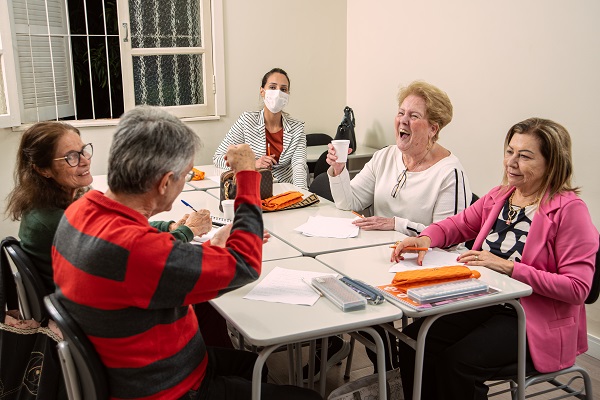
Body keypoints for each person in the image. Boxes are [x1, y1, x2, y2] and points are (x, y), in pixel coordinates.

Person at [51, 106, 321, 400]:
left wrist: (210, 248)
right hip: (168, 389)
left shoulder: (80, 210)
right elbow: (245, 263)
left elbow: (150, 266)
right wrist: (246, 173)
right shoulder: (135, 249)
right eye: (185, 175)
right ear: (165, 182)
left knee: (253, 366)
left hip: (134, 369)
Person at [392, 117, 599, 400]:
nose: (511, 162)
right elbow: (458, 225)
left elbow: (577, 288)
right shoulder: (501, 196)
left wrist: (510, 267)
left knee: (459, 362)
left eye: (525, 156)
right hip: (483, 299)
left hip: (531, 317)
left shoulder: (570, 211)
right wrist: (426, 238)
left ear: (552, 163)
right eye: (510, 151)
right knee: (414, 342)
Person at [318, 81, 472, 374]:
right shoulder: (386, 156)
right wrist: (338, 172)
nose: (403, 120)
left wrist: (397, 224)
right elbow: (348, 202)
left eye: (414, 116)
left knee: (372, 311)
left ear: (433, 128)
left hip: (427, 269)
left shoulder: (449, 171)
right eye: (401, 112)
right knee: (348, 295)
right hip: (383, 259)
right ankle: (389, 377)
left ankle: (394, 377)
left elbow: (447, 239)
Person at [4, 122, 210, 296]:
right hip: (91, 313)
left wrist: (169, 226)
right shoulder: (55, 220)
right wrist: (187, 231)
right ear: (42, 169)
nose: (85, 161)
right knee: (197, 288)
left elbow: (120, 229)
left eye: (83, 151)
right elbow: (138, 257)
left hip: (83, 299)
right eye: (71, 157)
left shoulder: (63, 201)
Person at [213, 67, 308, 189]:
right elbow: (218, 157)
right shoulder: (247, 120)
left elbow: (299, 166)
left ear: (288, 95)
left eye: (283, 89)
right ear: (262, 91)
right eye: (273, 87)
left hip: (286, 191)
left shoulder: (297, 128)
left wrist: (302, 195)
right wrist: (251, 164)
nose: (278, 93)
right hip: (254, 189)